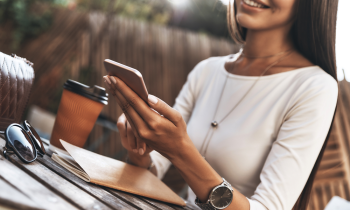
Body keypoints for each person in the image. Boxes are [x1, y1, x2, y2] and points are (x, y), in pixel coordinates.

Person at [103, 0, 339, 209]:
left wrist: (181, 151)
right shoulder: (206, 71)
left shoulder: (314, 87)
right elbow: (156, 168)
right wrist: (139, 151)